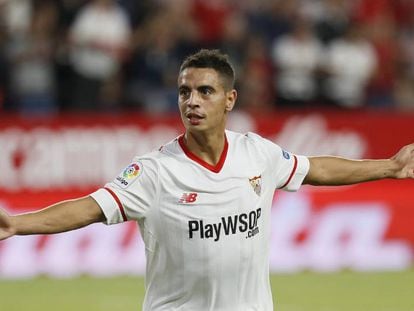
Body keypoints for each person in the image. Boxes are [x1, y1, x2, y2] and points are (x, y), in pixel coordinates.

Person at [0, 49, 413, 310]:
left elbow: (314, 169)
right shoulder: (155, 171)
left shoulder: (257, 152)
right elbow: (88, 208)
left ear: (230, 98)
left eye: (204, 91)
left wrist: (390, 168)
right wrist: (18, 224)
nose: (192, 101)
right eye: (184, 92)